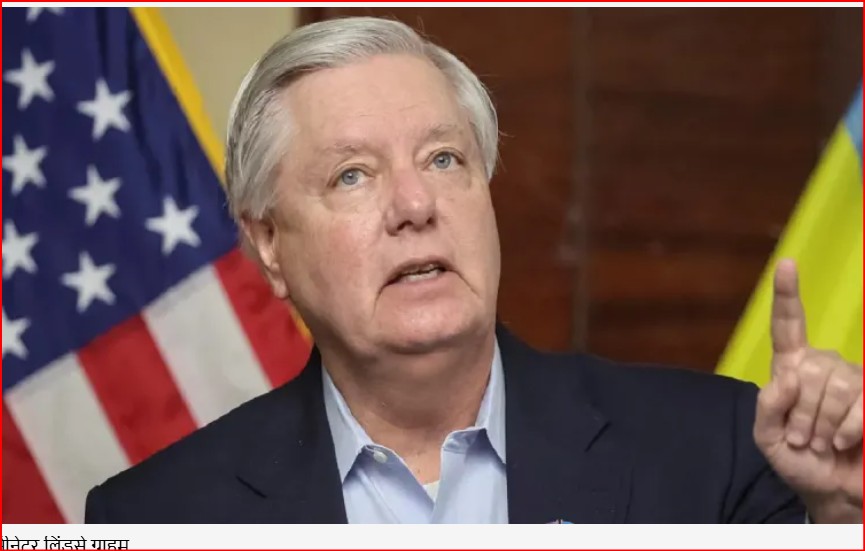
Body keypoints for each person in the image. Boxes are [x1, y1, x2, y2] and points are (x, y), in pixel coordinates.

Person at [84, 17, 863, 524]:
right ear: (269, 244)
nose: (414, 204)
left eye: (442, 158)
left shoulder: (715, 448)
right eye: (352, 175)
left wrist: (836, 517)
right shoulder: (156, 516)